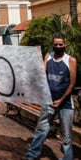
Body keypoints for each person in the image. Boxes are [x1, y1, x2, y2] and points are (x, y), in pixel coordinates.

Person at [26, 32, 77, 160]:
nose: (58, 46)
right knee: (41, 129)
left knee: (66, 135)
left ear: (65, 44)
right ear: (52, 45)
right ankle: (32, 154)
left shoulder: (70, 61)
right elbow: (42, 75)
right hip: (48, 101)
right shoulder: (48, 57)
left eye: (60, 44)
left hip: (65, 103)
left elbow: (71, 84)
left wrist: (61, 100)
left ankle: (67, 158)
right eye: (55, 44)